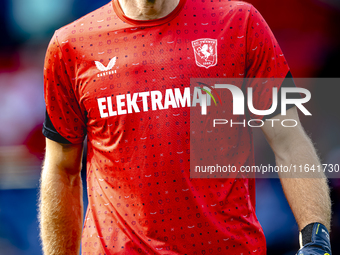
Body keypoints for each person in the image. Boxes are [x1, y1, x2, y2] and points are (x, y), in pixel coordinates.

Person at [39, 0, 332, 254]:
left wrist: (315, 239)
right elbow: (61, 169)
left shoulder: (239, 23)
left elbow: (289, 140)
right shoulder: (71, 46)